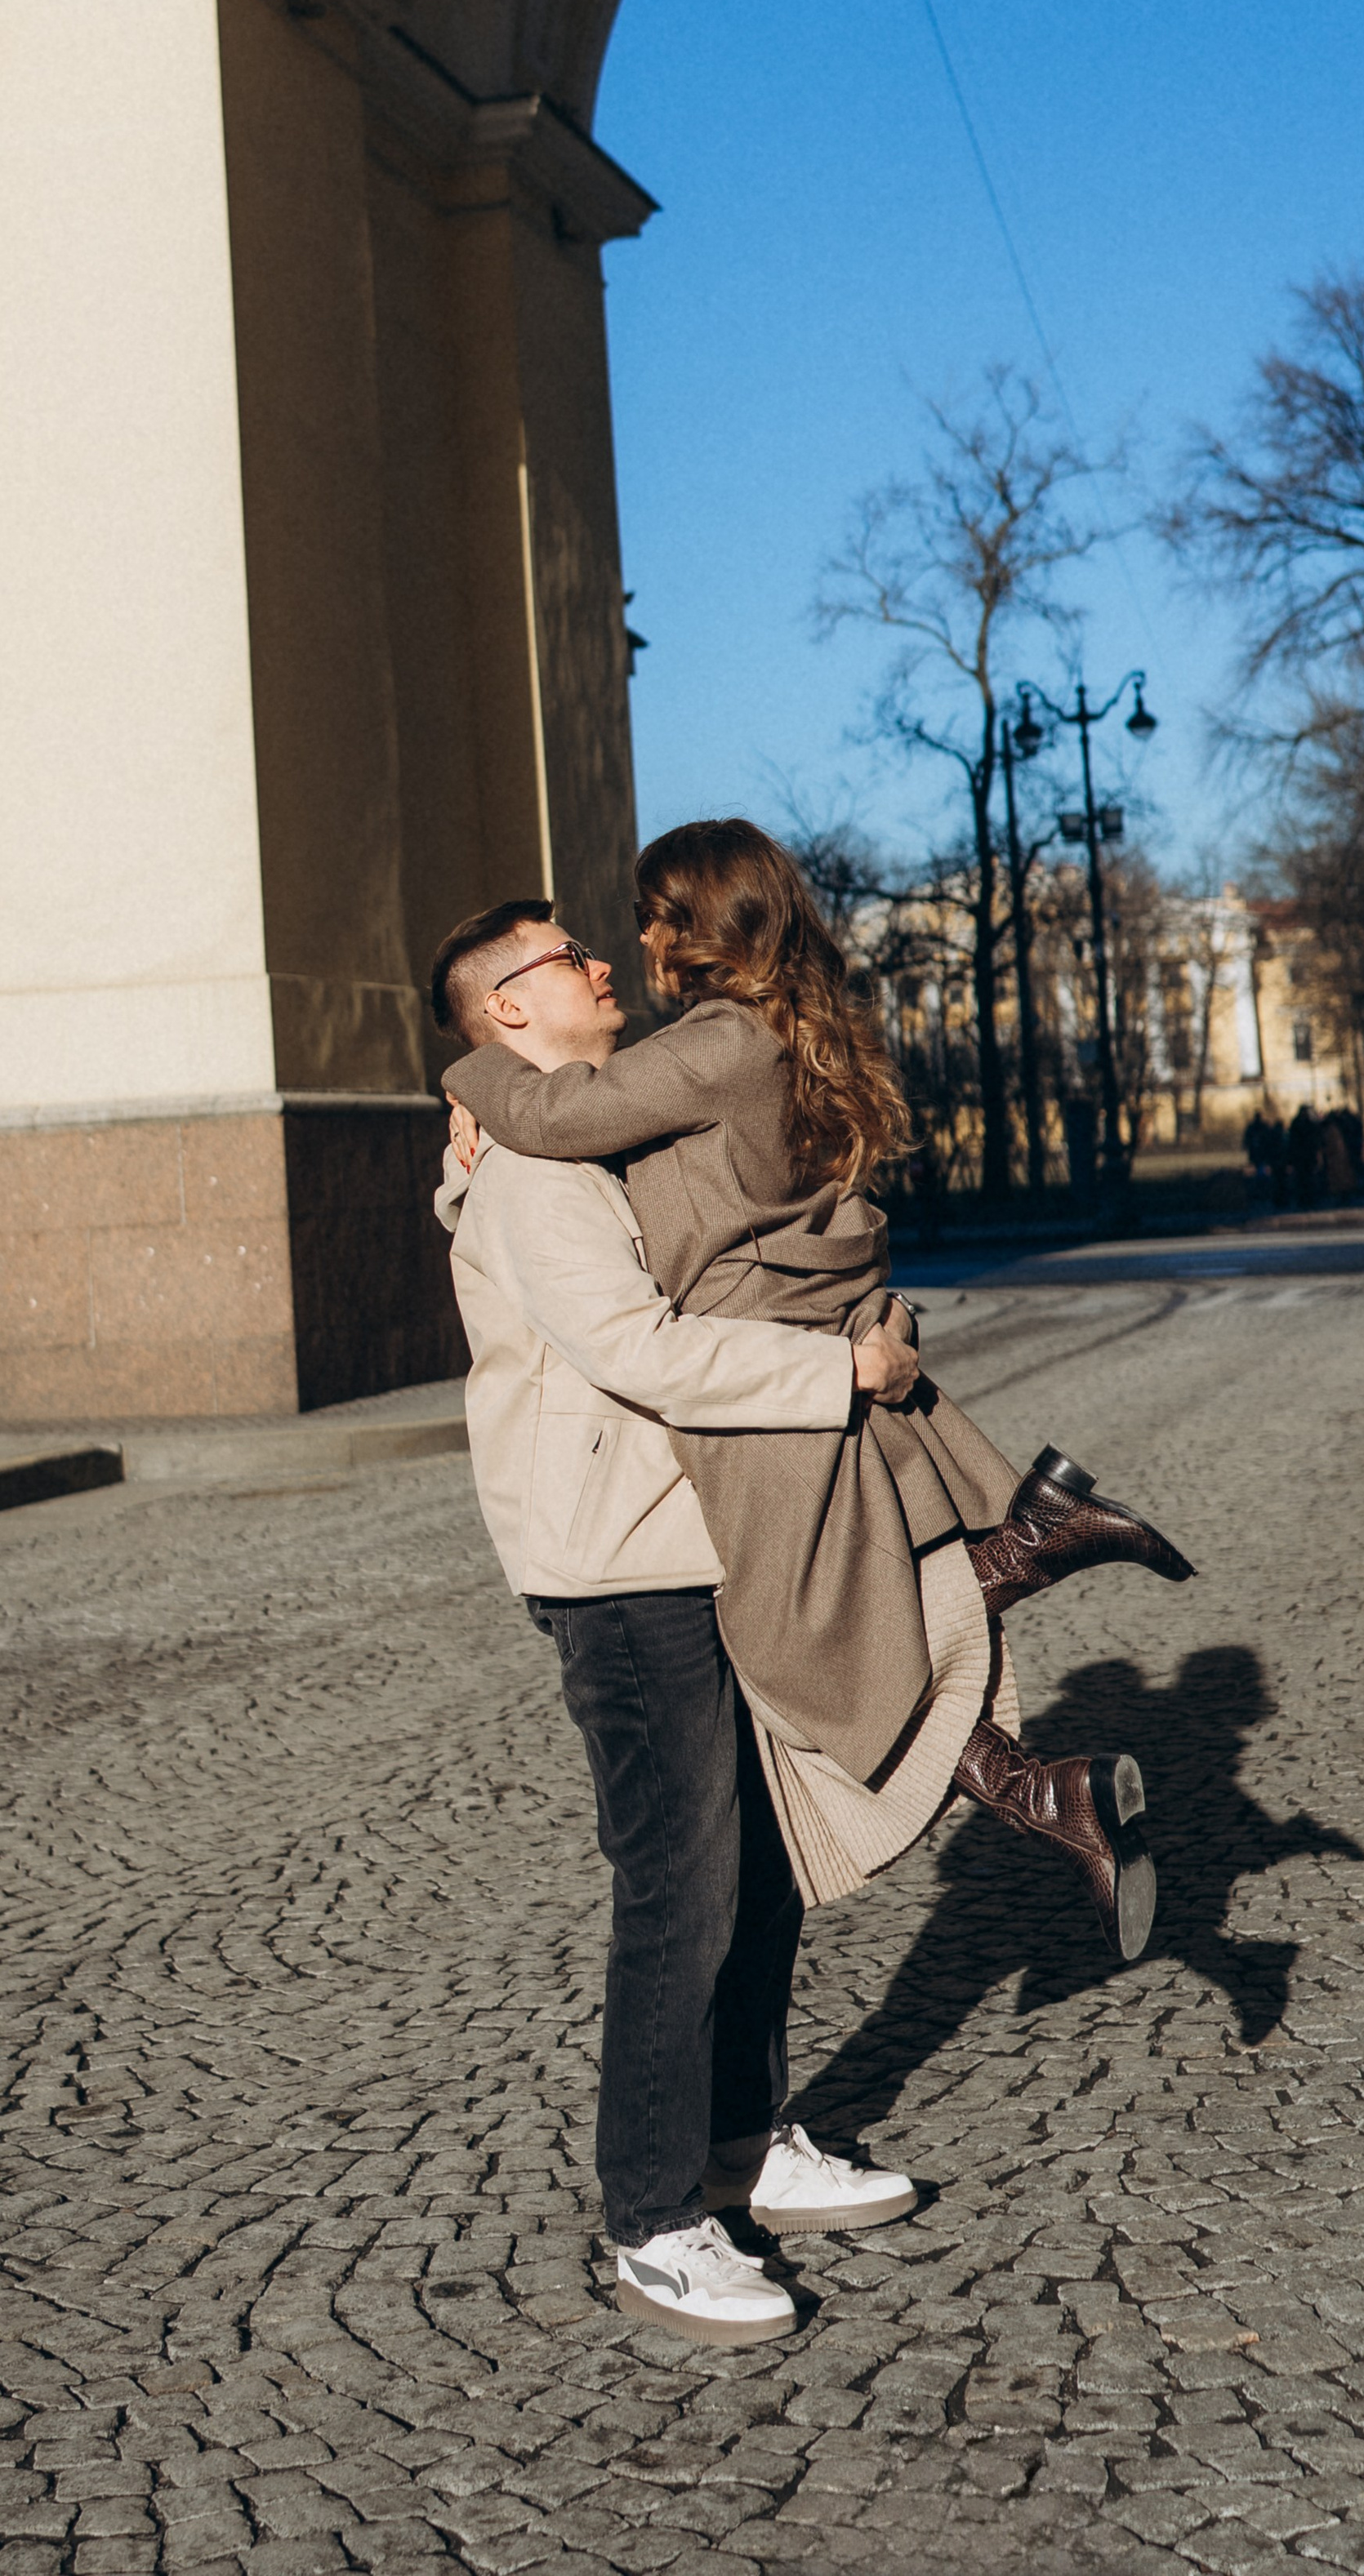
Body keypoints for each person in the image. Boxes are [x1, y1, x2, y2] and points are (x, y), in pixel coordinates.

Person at [440, 829, 1191, 1947]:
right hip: (790, 1374)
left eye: (649, 920)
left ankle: (1025, 1582)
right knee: (818, 1660)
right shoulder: (777, 1034)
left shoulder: (707, 1047)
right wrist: (471, 1171)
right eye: (581, 950)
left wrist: (469, 1076)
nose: (623, 950)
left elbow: (557, 1122)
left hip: (766, 1402)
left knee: (803, 1657)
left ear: (703, 927)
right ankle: (1042, 1743)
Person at [427, 895, 929, 2351]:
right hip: (614, 1565)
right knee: (678, 1886)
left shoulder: (573, 1132)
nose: (599, 965)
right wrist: (841, 1375)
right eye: (566, 957)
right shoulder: (528, 1169)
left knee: (755, 1858)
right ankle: (654, 2219)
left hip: (691, 1538)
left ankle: (740, 2140)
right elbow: (639, 1349)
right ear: (507, 1011)